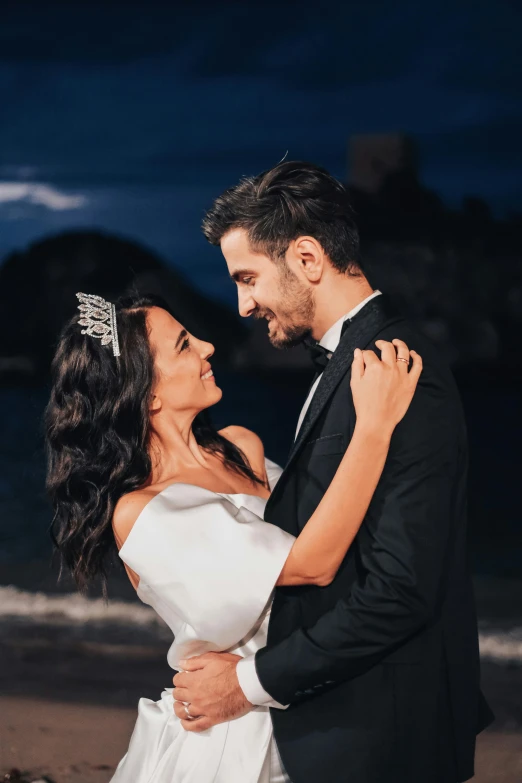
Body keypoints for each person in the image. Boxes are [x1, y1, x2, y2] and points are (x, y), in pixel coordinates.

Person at [174, 161, 494, 783]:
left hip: (386, 737)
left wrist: (248, 683)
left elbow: (400, 590)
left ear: (307, 258)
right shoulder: (346, 366)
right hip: (350, 725)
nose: (241, 306)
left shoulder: (402, 372)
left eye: (247, 278)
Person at [45, 291, 420, 783]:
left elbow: (329, 525)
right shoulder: (141, 511)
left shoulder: (240, 447)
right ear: (147, 393)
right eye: (183, 345)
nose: (207, 347)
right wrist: (374, 426)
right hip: (236, 737)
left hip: (309, 700)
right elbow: (313, 561)